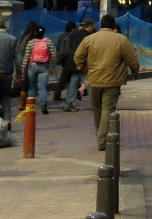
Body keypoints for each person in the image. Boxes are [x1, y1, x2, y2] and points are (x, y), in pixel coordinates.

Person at [73, 15, 140, 151]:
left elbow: (78, 56)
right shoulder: (121, 40)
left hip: (93, 80)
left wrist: (83, 67)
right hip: (112, 81)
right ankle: (102, 140)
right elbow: (132, 60)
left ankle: (100, 134)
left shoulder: (89, 39)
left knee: (97, 109)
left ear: (101, 25)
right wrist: (134, 72)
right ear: (113, 25)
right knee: (107, 110)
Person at [58, 19, 94, 112]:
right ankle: (95, 105)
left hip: (71, 62)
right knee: (90, 83)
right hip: (81, 63)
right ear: (90, 26)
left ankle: (68, 104)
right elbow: (86, 50)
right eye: (93, 26)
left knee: (73, 83)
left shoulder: (74, 33)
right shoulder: (87, 36)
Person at [20, 25, 57, 114]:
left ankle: (30, 107)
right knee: (43, 87)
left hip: (32, 66)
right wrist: (53, 67)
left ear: (35, 32)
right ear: (43, 32)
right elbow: (53, 56)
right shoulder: (48, 41)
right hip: (44, 66)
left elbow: (26, 56)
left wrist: (23, 68)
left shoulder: (31, 42)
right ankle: (43, 106)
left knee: (31, 87)